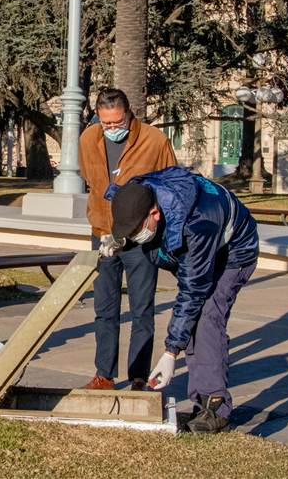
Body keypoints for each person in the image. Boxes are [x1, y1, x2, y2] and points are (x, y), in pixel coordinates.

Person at [107, 166, 259, 433]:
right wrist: (119, 240)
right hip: (199, 247)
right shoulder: (139, 193)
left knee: (207, 317)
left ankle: (215, 407)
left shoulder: (196, 225)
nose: (134, 236)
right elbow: (133, 220)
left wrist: (170, 352)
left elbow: (192, 291)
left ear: (155, 213)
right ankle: (201, 402)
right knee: (192, 319)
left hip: (234, 252)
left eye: (135, 231)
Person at [78, 88, 177, 391]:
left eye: (117, 122)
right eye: (105, 123)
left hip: (140, 240)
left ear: (129, 114)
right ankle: (104, 375)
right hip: (103, 236)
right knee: (104, 309)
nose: (111, 129)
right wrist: (101, 223)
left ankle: (137, 378)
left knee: (141, 311)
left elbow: (173, 183)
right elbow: (91, 182)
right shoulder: (88, 139)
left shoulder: (154, 140)